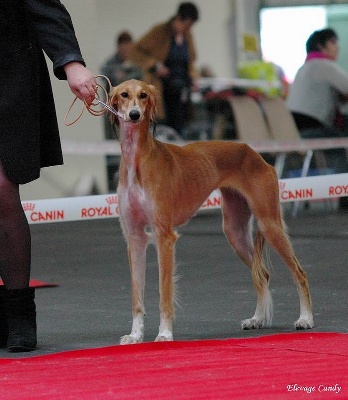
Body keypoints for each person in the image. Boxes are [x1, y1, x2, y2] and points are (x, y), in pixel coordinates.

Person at [0, 0, 97, 352]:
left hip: (8, 73)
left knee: (1, 189)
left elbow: (45, 7)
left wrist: (71, 63)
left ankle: (20, 313)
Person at [286, 28, 348, 210]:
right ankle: (345, 197)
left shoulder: (303, 67)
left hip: (294, 129)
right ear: (321, 46)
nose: (338, 47)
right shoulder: (324, 65)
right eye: (333, 43)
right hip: (312, 128)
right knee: (341, 146)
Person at [130, 2, 200, 136]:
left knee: (181, 128)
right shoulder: (159, 32)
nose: (188, 29)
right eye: (187, 25)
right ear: (179, 18)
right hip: (162, 89)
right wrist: (154, 65)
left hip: (181, 92)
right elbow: (134, 51)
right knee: (163, 127)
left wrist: (194, 78)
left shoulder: (187, 36)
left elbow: (191, 61)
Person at [100, 31, 143, 191]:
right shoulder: (110, 65)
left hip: (134, 115)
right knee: (115, 149)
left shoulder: (135, 64)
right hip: (115, 115)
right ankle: (116, 182)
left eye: (129, 47)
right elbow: (109, 84)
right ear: (119, 47)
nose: (127, 50)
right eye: (124, 46)